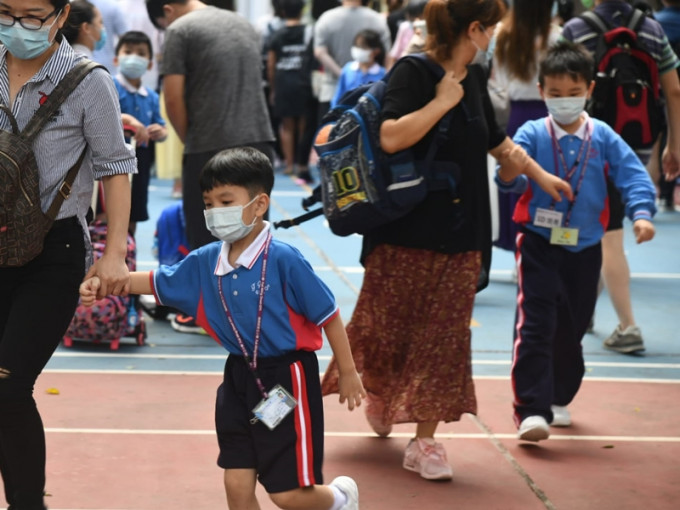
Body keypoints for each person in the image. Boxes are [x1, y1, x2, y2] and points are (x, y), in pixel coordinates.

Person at [321, 0, 572, 481]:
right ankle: (383, 393)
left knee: (446, 340)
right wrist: (440, 102)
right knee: (387, 328)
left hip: (463, 234)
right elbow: (392, 137)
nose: (496, 38)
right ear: (475, 28)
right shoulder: (413, 72)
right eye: (492, 29)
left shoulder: (474, 75)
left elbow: (495, 141)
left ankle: (425, 441)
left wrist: (540, 175)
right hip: (404, 232)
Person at [80, 147, 365, 510]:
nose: (215, 212)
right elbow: (152, 281)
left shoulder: (284, 260)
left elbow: (328, 314)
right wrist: (102, 282)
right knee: (236, 481)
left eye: (226, 200)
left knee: (287, 495)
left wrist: (348, 370)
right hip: (239, 376)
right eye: (209, 202)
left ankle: (341, 499)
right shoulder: (206, 260)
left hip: (286, 377)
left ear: (259, 204)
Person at [0, 1, 136, 509]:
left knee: (9, 390)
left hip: (51, 251)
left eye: (33, 15)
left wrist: (114, 253)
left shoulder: (87, 81)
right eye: (5, 11)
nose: (18, 25)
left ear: (60, 16)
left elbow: (115, 166)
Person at [497, 41, 656, 441]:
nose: (564, 101)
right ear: (540, 91)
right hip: (537, 241)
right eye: (555, 94)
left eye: (572, 93)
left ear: (589, 90)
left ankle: (557, 396)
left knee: (573, 326)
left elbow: (633, 175)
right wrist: (507, 173)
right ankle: (530, 409)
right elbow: (513, 181)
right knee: (536, 322)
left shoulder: (601, 136)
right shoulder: (532, 132)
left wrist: (641, 214)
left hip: (585, 247)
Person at [146, 0, 276, 334]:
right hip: (259, 138)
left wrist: (191, 140)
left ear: (167, 10)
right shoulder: (243, 24)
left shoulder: (179, 29)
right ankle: (253, 308)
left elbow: (172, 97)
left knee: (207, 230)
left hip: (209, 142)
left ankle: (207, 312)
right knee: (254, 229)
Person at [562, 0, 680, 354]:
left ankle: (628, 326)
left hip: (589, 145)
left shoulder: (576, 29)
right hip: (637, 143)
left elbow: (561, 88)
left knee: (608, 233)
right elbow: (673, 89)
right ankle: (583, 312)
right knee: (603, 230)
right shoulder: (652, 28)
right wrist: (673, 143)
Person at [492, 0, 563, 252]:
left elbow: (497, 79)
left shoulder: (501, 34)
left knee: (515, 178)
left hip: (514, 115)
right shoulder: (556, 36)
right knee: (545, 180)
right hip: (547, 115)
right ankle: (539, 240)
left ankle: (517, 243)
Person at [62, 0, 150, 147]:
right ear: (86, 28)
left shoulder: (60, 61)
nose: (103, 29)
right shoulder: (91, 71)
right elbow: (93, 119)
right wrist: (125, 119)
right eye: (100, 23)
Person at [113, 30, 168, 236]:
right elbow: (99, 117)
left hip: (141, 160)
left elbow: (162, 129)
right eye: (128, 51)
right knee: (109, 208)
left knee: (134, 209)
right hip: (112, 158)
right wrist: (129, 120)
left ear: (151, 64)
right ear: (117, 58)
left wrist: (160, 132)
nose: (134, 57)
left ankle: (129, 249)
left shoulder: (152, 96)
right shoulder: (109, 85)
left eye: (141, 53)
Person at [314, 0, 391, 120]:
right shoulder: (377, 19)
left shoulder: (326, 18)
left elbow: (320, 52)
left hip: (331, 90)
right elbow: (388, 55)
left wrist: (342, 73)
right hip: (371, 104)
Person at [266, 0, 315, 182]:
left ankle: (288, 164)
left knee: (287, 127)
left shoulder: (277, 34)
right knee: (303, 126)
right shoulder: (309, 33)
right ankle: (301, 162)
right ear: (302, 12)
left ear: (283, 11)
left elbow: (271, 64)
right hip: (303, 83)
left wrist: (272, 88)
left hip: (283, 83)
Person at [331, 29, 386, 107]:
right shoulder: (348, 69)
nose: (358, 49)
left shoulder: (382, 74)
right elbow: (338, 97)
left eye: (363, 47)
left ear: (376, 51)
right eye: (356, 45)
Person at [90, 0, 129, 73]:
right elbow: (126, 39)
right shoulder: (113, 6)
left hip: (80, 67)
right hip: (108, 67)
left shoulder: (74, 4)